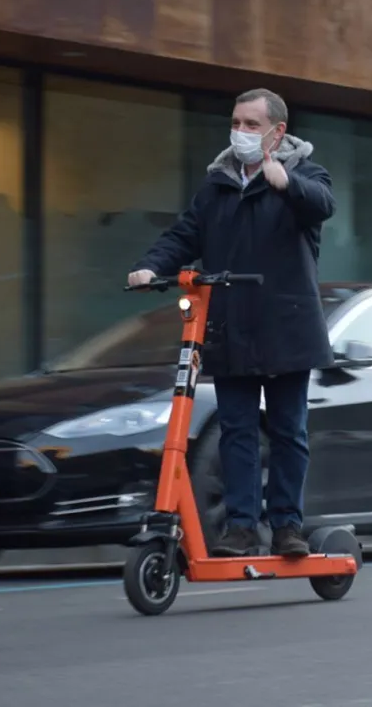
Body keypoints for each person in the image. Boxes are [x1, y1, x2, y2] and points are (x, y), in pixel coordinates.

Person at [127, 88, 335, 557]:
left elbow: (322, 204)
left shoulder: (304, 174)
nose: (240, 133)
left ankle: (286, 526)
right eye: (236, 123)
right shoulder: (217, 185)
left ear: (277, 132)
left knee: (287, 431)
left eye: (251, 125)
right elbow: (184, 234)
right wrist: (150, 266)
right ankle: (241, 527)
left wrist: (288, 184)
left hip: (286, 325)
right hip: (230, 326)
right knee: (237, 432)